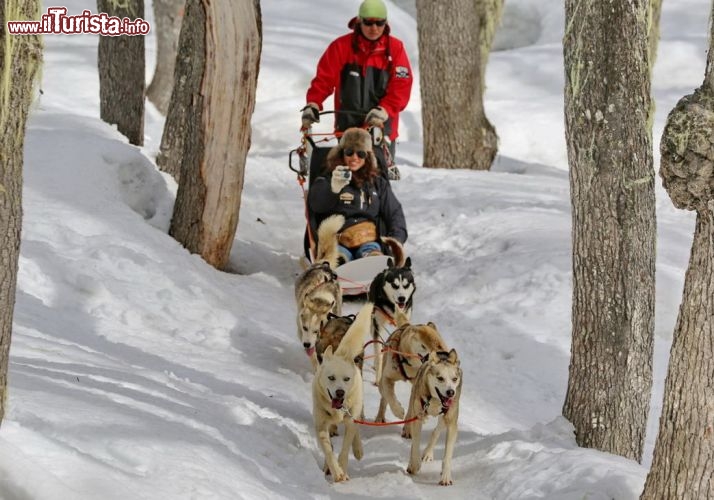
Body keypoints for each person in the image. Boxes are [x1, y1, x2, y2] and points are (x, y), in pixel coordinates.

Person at [300, 0, 413, 176]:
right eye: (368, 22)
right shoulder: (341, 47)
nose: (374, 28)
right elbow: (324, 79)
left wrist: (385, 109)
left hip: (381, 129)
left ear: (386, 23)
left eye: (379, 23)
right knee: (346, 177)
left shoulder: (395, 49)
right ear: (359, 21)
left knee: (378, 180)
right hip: (347, 128)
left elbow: (402, 86)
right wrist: (313, 103)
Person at [308, 128, 407, 264]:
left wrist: (395, 240)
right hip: (337, 241)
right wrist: (333, 189)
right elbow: (316, 206)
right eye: (349, 152)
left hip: (369, 240)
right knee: (338, 259)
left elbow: (394, 212)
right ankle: (339, 265)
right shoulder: (327, 178)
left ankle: (373, 262)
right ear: (341, 154)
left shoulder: (377, 183)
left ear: (367, 157)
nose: (354, 158)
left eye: (360, 154)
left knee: (373, 257)